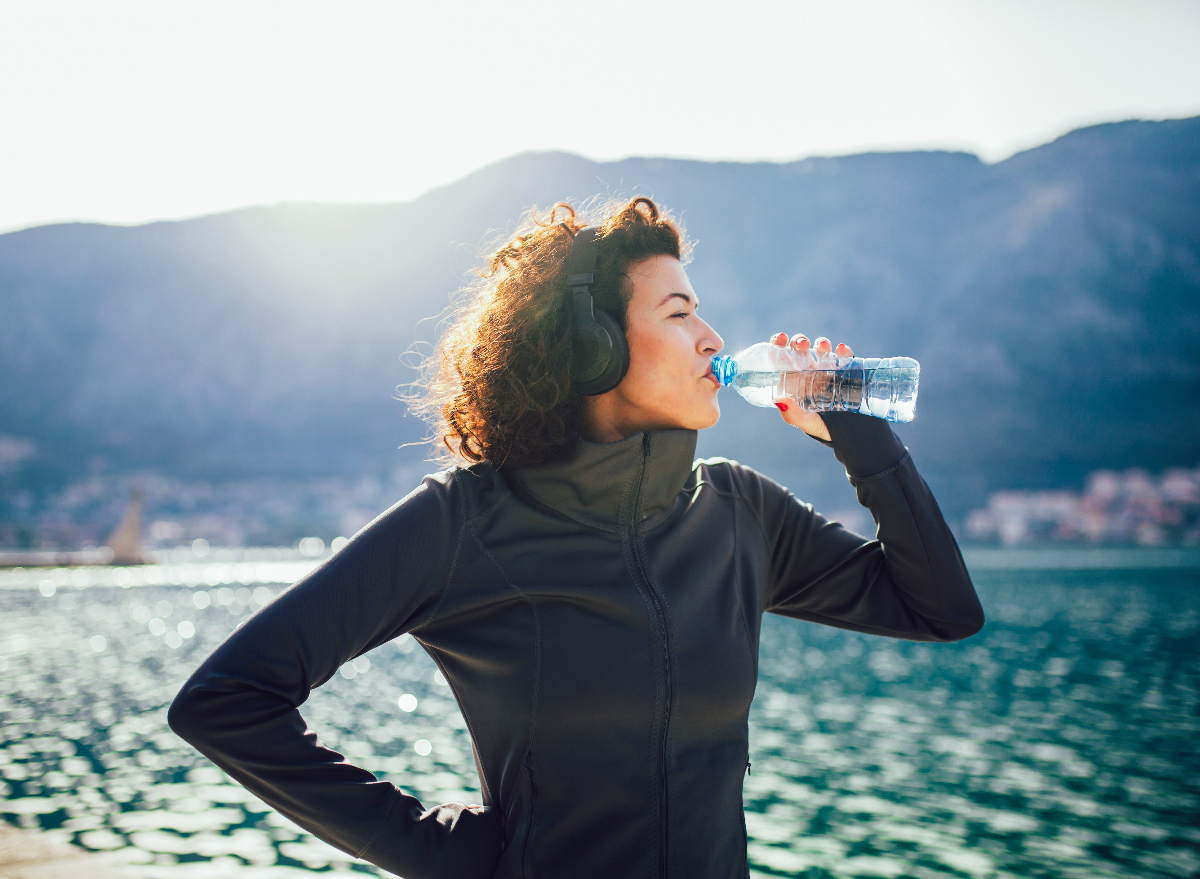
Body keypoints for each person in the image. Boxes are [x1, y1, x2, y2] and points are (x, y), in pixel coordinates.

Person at [169, 196, 984, 879]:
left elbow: (941, 608)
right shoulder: (465, 522)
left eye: (701, 310)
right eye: (678, 312)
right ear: (593, 345)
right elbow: (227, 700)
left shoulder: (740, 511)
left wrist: (858, 433)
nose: (711, 336)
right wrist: (449, 852)